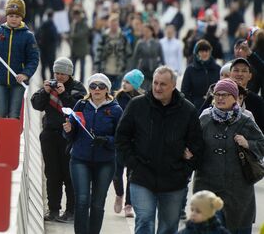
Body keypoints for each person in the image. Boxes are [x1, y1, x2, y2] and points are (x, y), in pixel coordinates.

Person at [115, 66, 204, 234]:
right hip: (142, 177)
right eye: (155, 83)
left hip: (174, 180)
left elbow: (197, 145)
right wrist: (132, 163)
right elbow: (122, 138)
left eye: (163, 84)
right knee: (144, 222)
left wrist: (185, 170)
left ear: (173, 85)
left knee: (168, 227)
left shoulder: (188, 110)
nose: (157, 88)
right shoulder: (137, 105)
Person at [195, 79, 264, 234]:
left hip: (238, 190)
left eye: (225, 95)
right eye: (217, 94)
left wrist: (248, 144)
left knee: (237, 227)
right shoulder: (205, 118)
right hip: (208, 185)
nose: (220, 98)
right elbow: (193, 144)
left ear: (235, 97)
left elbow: (261, 143)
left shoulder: (245, 119)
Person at [63, 73, 122, 234]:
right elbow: (71, 134)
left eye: (101, 86)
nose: (97, 89)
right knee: (82, 201)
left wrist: (107, 140)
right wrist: (68, 130)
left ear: (107, 90)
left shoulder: (116, 110)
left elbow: (122, 137)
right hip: (80, 159)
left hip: (105, 162)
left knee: (97, 203)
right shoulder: (81, 105)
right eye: (93, 86)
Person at [30, 57, 86, 223]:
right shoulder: (49, 86)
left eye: (63, 73)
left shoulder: (77, 88)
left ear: (69, 74)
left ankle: (71, 210)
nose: (59, 77)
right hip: (49, 134)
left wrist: (64, 94)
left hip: (69, 137)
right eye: (57, 73)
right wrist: (44, 91)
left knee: (69, 174)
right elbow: (37, 105)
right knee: (52, 174)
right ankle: (53, 209)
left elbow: (77, 109)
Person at [0, 0, 40, 119]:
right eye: (11, 15)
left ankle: (12, 137)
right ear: (6, 16)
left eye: (17, 16)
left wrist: (25, 74)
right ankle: (1, 138)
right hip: (0, 80)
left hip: (18, 82)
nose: (14, 18)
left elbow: (34, 59)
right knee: (0, 114)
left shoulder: (28, 36)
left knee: (14, 115)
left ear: (22, 17)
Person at [113, 69, 144, 218]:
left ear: (136, 85)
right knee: (116, 174)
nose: (124, 84)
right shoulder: (117, 97)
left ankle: (128, 205)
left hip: (134, 143)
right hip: (119, 141)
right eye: (124, 81)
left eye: (128, 82)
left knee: (132, 175)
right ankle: (119, 194)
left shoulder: (142, 100)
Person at [94, 14, 132, 90]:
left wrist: (128, 69)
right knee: (106, 91)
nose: (113, 26)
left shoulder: (123, 36)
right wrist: (96, 68)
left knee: (117, 91)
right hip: (105, 70)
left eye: (115, 24)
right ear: (109, 24)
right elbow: (98, 52)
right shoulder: (104, 36)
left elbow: (128, 53)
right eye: (112, 24)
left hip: (119, 71)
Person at [181, 40, 221, 111]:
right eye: (202, 51)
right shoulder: (190, 69)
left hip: (214, 106)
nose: (204, 53)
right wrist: (191, 105)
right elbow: (184, 91)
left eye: (207, 51)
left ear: (210, 52)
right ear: (197, 53)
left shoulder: (217, 68)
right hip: (196, 107)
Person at [130, 24, 165, 90]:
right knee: (143, 89)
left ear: (152, 32)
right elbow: (135, 58)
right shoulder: (140, 43)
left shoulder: (157, 43)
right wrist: (133, 71)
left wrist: (163, 70)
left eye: (148, 31)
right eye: (144, 31)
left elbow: (162, 58)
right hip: (143, 69)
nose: (146, 33)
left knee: (154, 88)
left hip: (155, 68)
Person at [36, 10, 61, 81]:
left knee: (43, 67)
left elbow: (36, 36)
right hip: (51, 50)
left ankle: (44, 81)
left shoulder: (42, 25)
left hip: (43, 50)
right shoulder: (53, 26)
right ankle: (51, 81)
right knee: (51, 67)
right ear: (53, 16)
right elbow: (55, 37)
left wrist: (40, 45)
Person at [69, 9, 91, 83]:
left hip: (82, 50)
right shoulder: (73, 24)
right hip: (74, 50)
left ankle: (81, 83)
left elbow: (80, 34)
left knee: (82, 69)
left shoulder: (84, 24)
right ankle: (71, 82)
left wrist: (70, 36)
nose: (75, 18)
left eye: (77, 16)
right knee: (72, 69)